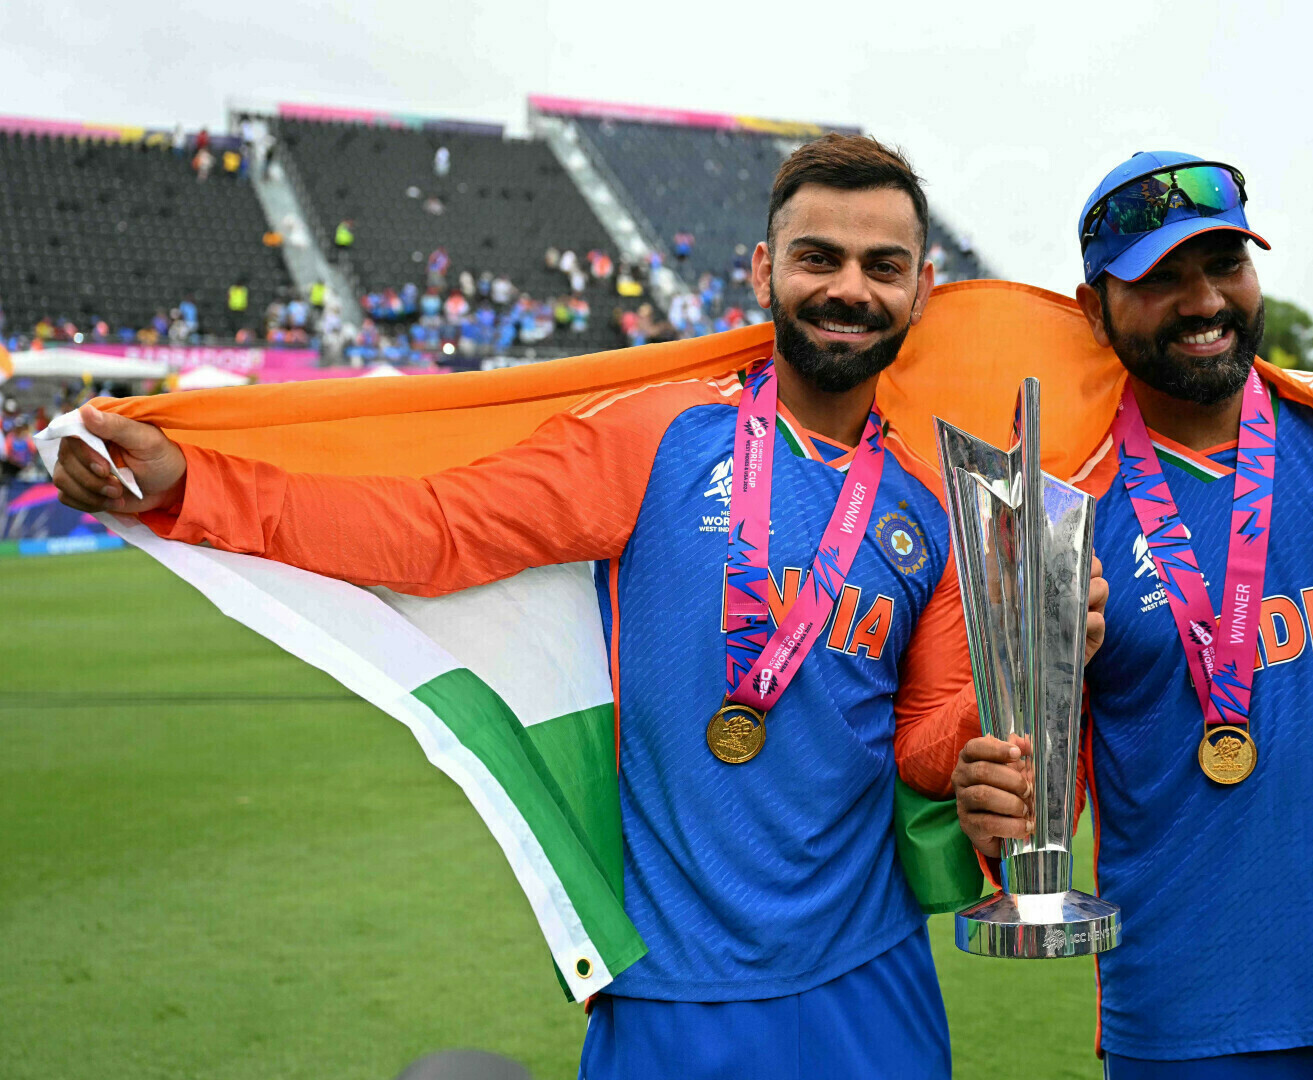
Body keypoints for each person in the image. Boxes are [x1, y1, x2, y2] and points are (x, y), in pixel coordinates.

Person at [53, 133, 1107, 1080]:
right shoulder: (657, 437)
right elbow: (437, 530)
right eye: (818, 257)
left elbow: (921, 740)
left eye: (882, 267)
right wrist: (195, 483)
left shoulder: (935, 507)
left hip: (873, 985)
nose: (849, 288)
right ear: (764, 272)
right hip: (673, 994)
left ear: (923, 289)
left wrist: (1012, 704)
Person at [953, 152, 1313, 1080]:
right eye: (1160, 278)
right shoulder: (1056, 504)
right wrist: (1000, 803)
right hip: (1194, 1015)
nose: (1204, 302)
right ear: (1095, 302)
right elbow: (1034, 808)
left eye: (1224, 264)